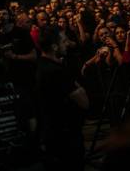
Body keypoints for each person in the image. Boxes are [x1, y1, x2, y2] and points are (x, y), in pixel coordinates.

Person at [36, 27, 89, 170]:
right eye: (64, 41)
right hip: (65, 137)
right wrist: (80, 88)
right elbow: (84, 101)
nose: (67, 44)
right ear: (54, 46)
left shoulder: (41, 65)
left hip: (53, 134)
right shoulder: (56, 71)